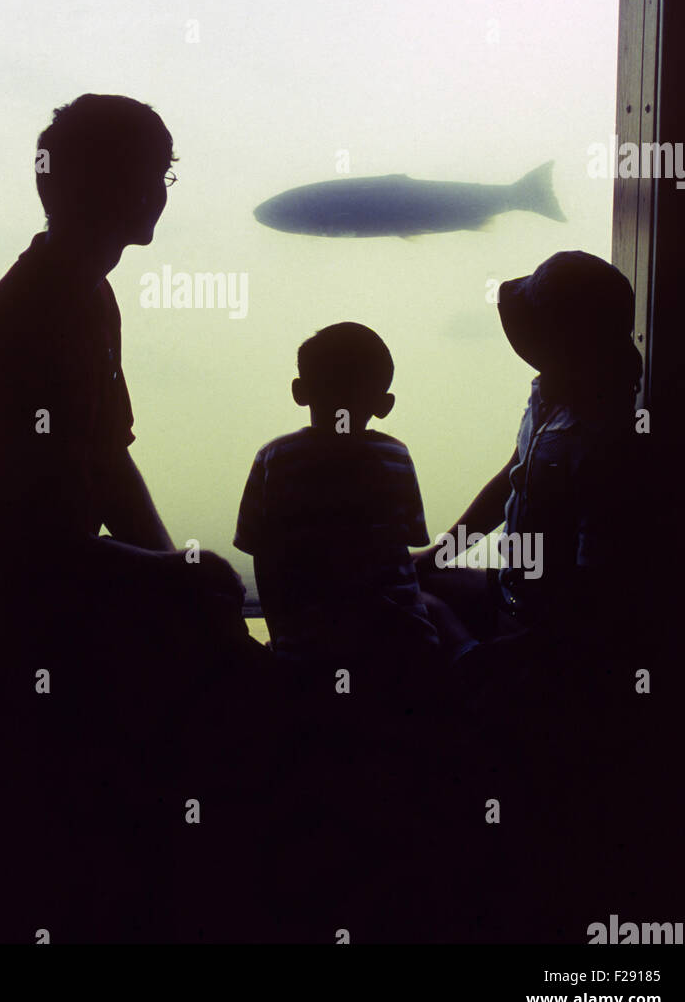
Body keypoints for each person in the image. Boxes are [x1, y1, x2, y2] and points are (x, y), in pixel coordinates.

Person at [0, 93, 270, 758]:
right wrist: (180, 580)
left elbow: (108, 463)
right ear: (85, 182)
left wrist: (173, 572)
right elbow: (42, 537)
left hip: (15, 598)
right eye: (148, 173)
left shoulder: (81, 294)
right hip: (0, 616)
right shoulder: (47, 313)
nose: (157, 193)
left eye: (161, 174)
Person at [414, 251, 648, 705]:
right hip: (512, 594)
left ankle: (471, 662)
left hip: (545, 633)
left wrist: (515, 652)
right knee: (413, 585)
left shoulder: (613, 441)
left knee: (424, 609)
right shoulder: (548, 396)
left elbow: (596, 585)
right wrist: (430, 559)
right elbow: (511, 479)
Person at [233, 322, 440, 702]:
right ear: (384, 404)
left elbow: (260, 552)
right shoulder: (396, 457)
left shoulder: (274, 459)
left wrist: (282, 638)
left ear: (300, 392)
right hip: (400, 645)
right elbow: (407, 544)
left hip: (308, 649)